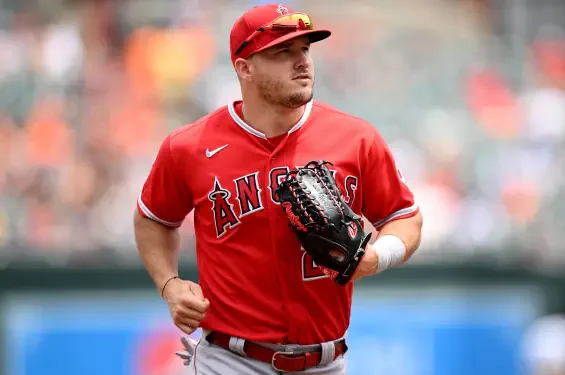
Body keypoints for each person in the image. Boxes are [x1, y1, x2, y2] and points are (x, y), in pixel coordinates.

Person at [133, 3, 423, 374]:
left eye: (304, 49)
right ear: (244, 67)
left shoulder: (356, 138)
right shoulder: (189, 146)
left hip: (327, 362)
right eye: (282, 52)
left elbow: (406, 219)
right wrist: (169, 283)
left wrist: (376, 258)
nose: (301, 61)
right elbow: (153, 219)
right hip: (229, 360)